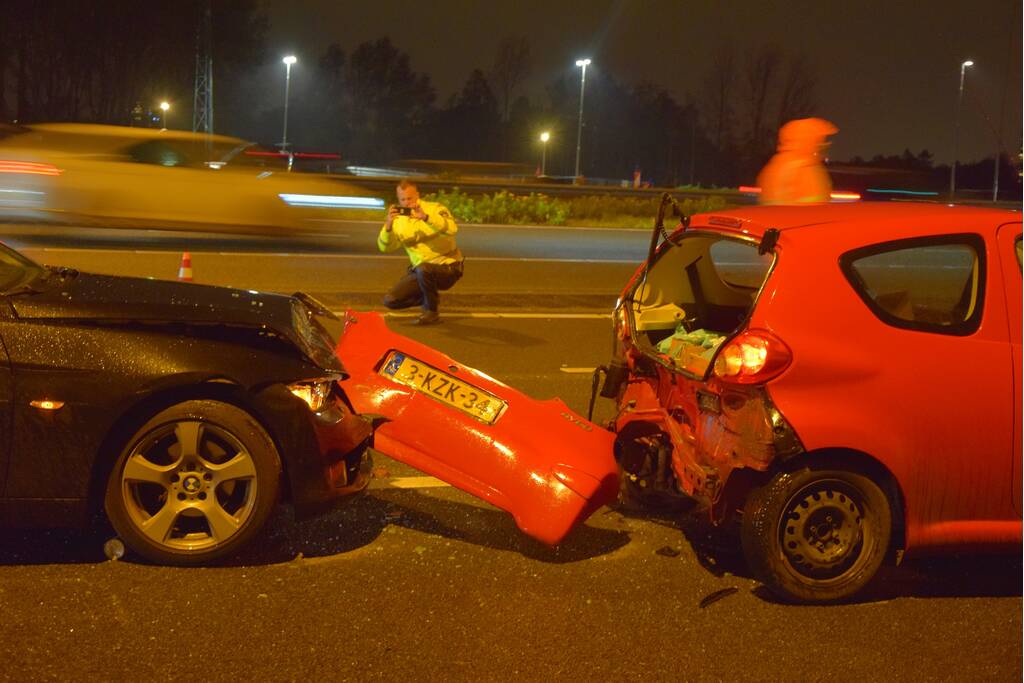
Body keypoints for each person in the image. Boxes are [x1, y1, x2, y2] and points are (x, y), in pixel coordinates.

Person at [377, 180, 464, 325]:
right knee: (390, 301)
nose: (406, 202)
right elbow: (385, 247)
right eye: (402, 199)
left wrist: (426, 218)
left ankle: (431, 312)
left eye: (409, 198)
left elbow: (452, 228)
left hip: (448, 267)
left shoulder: (434, 209)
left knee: (424, 268)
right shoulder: (398, 220)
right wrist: (388, 226)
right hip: (421, 272)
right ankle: (430, 297)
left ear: (417, 195)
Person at [756, 117, 838, 205]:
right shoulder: (797, 167)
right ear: (805, 140)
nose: (820, 144)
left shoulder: (783, 164)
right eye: (817, 139)